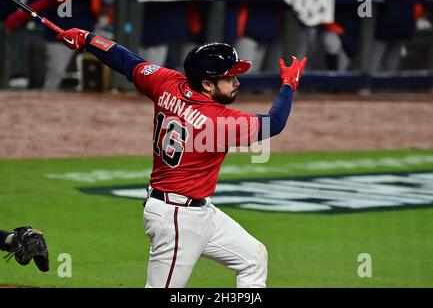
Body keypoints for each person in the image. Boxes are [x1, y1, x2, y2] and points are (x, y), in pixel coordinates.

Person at [55, 27, 306, 288]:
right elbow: (275, 122)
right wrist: (289, 85)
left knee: (253, 258)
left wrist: (87, 39)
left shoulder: (166, 84)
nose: (237, 83)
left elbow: (127, 61)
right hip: (177, 219)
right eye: (229, 78)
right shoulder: (218, 122)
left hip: (198, 212)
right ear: (207, 85)